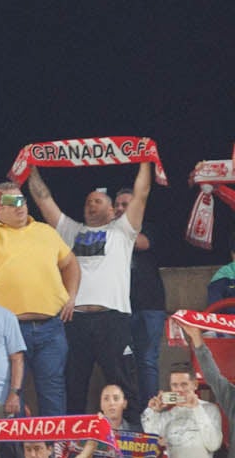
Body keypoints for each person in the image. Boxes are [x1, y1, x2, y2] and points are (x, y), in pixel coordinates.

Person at [26, 162, 151, 413]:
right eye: (87, 202)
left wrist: (146, 160)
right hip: (75, 320)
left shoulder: (123, 230)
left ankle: (133, 441)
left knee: (123, 381)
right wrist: (30, 167)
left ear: (111, 208)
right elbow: (43, 199)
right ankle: (72, 443)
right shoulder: (70, 230)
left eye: (97, 201)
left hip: (113, 319)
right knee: (73, 382)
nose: (90, 205)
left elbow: (142, 193)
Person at [0, 182, 78, 417]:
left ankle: (55, 446)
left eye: (21, 200)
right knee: (9, 393)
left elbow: (70, 263)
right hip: (7, 328)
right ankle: (15, 452)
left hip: (50, 327)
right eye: (10, 203)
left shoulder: (45, 231)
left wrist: (72, 297)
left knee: (53, 388)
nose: (19, 206)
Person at [140, 363, 224, 458]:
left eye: (184, 384)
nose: (179, 390)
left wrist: (196, 408)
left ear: (195, 385)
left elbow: (214, 444)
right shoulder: (166, 414)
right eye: (175, 385)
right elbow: (148, 439)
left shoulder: (210, 410)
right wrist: (152, 410)